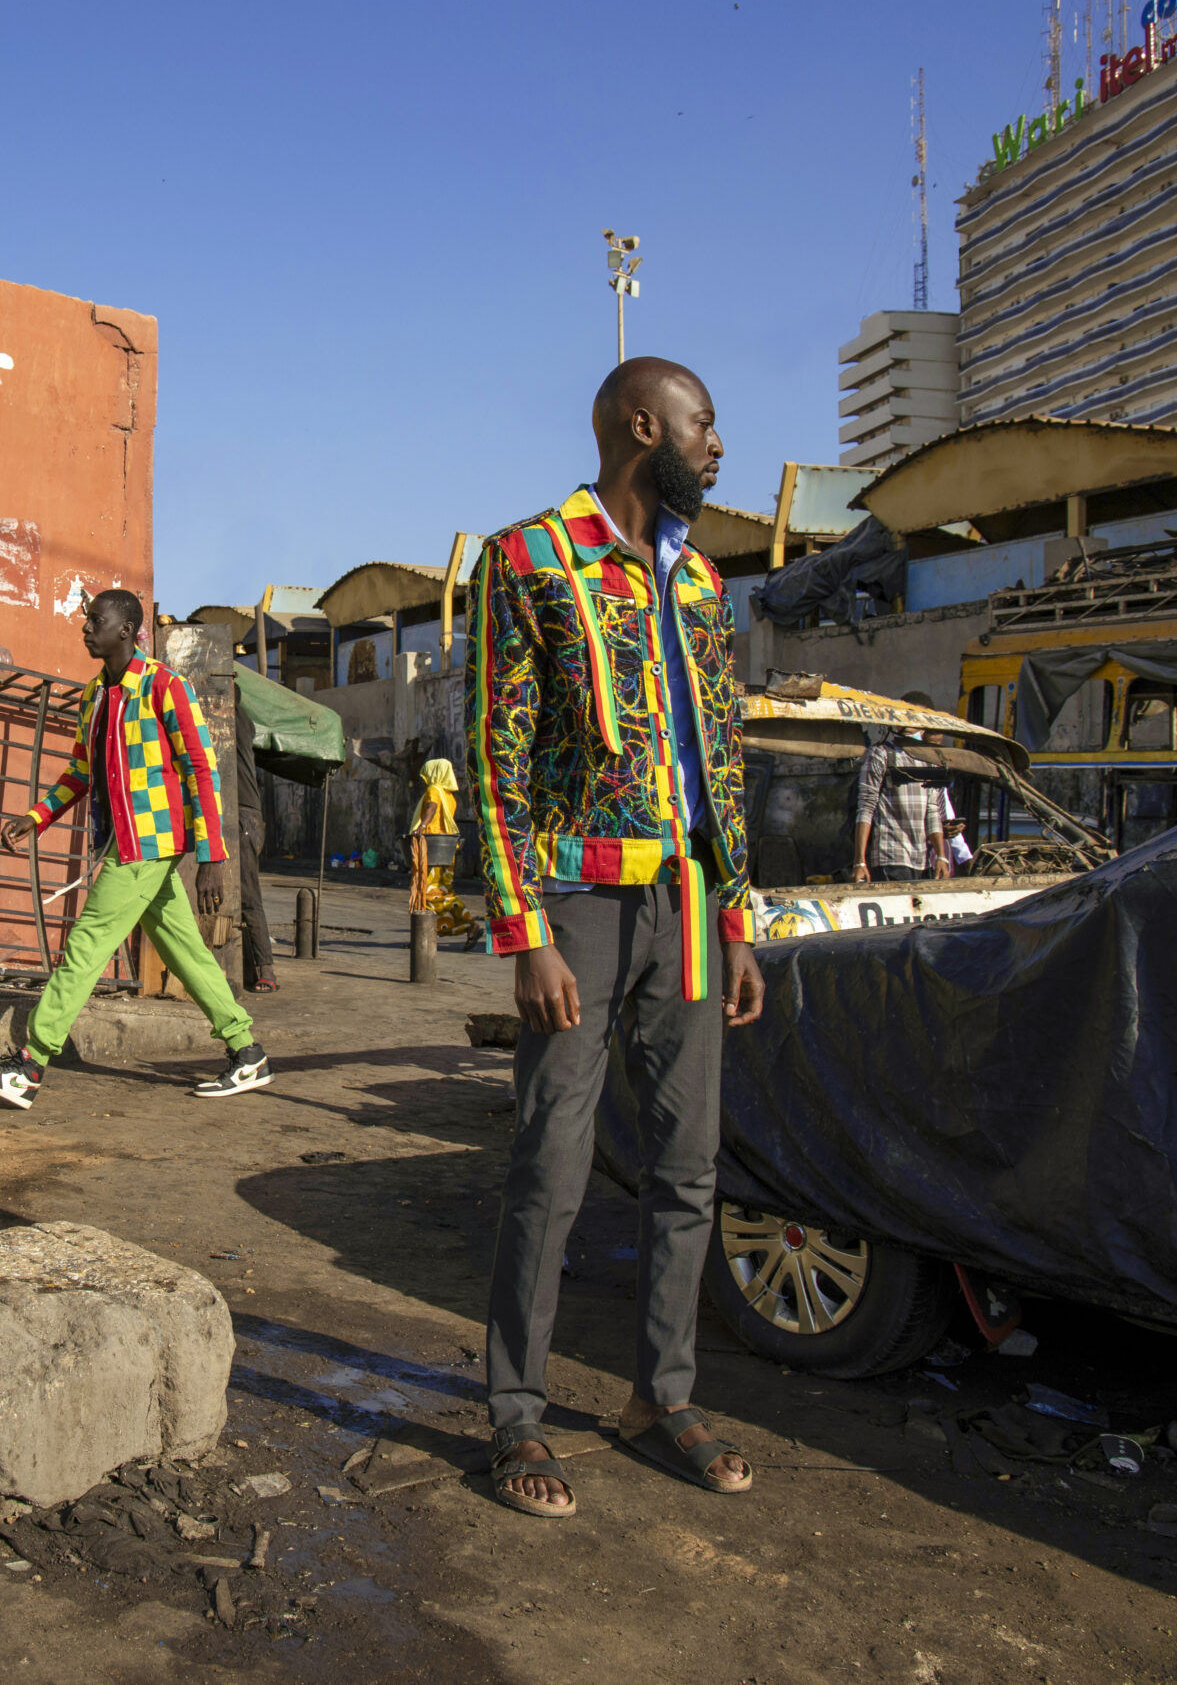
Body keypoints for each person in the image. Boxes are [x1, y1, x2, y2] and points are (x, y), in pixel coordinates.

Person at [469, 357, 768, 1518]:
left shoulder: (698, 580)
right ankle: (515, 1415)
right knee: (550, 1163)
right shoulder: (530, 559)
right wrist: (523, 930)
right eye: (706, 424)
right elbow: (496, 752)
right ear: (644, 426)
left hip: (690, 909)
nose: (718, 445)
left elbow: (723, 763)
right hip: (580, 908)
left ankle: (662, 1397)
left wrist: (738, 914)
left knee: (688, 1169)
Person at [0, 588, 272, 1107]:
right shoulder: (94, 696)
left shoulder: (164, 687)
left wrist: (211, 857)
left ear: (128, 630)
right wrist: (36, 817)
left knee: (84, 948)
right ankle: (247, 1052)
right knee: (188, 953)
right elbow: (81, 772)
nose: (86, 628)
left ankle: (29, 1065)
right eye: (88, 620)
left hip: (148, 847)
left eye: (96, 620)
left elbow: (202, 770)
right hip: (128, 845)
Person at [850, 730, 946, 882]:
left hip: (922, 860)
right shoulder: (881, 753)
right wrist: (860, 861)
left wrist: (941, 856)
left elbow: (932, 812)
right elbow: (866, 806)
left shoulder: (930, 760)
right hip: (890, 855)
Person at [409, 757, 481, 943]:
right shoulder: (449, 796)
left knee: (429, 892)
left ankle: (457, 926)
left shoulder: (434, 791)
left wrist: (422, 826)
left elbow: (431, 808)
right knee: (443, 890)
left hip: (432, 846)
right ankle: (428, 934)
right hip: (447, 847)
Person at [234, 695, 277, 993]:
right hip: (245, 815)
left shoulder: (236, 720)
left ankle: (266, 970)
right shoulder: (244, 719)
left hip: (243, 817)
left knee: (249, 896)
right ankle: (252, 966)